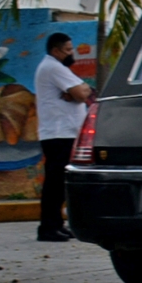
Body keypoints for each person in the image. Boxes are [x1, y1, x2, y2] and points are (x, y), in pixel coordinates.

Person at [34, 33, 92, 242]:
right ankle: (48, 227)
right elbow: (82, 93)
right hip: (60, 133)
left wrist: (81, 89)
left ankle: (56, 224)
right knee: (55, 183)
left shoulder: (57, 68)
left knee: (59, 182)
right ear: (56, 50)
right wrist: (79, 91)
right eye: (68, 49)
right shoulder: (54, 67)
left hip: (62, 132)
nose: (72, 53)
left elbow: (85, 89)